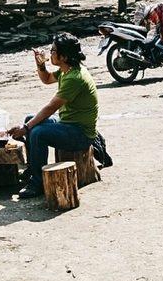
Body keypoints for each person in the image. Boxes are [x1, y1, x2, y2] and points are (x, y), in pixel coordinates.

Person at [8, 32, 99, 199]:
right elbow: (47, 79)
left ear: (63, 57)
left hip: (80, 133)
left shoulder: (75, 78)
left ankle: (37, 184)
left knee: (37, 132)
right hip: (68, 123)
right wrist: (41, 65)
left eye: (53, 50)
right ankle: (33, 169)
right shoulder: (67, 69)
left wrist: (26, 128)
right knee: (30, 119)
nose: (50, 52)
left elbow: (50, 107)